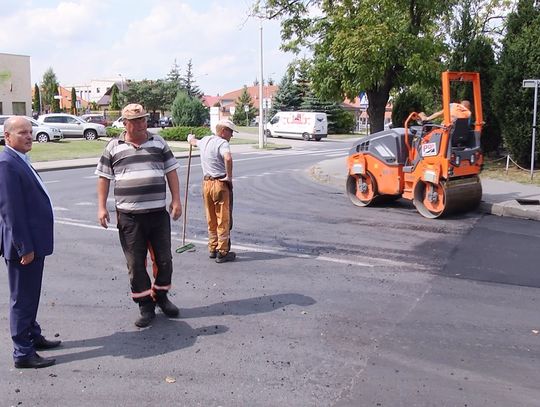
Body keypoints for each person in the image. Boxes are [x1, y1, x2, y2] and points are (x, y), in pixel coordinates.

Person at [96, 103, 182, 328]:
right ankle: (145, 305)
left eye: (143, 119)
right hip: (129, 217)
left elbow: (171, 171)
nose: (142, 124)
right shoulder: (113, 147)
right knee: (135, 263)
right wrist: (102, 207)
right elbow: (104, 178)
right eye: (136, 121)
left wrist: (176, 200)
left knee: (164, 259)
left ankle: (161, 297)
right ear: (125, 123)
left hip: (157, 214)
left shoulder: (158, 142)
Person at [0, 116, 61, 369]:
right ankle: (23, 352)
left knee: (30, 294)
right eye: (22, 132)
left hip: (33, 242)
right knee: (22, 298)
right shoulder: (6, 164)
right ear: (8, 137)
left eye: (30, 131)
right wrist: (24, 247)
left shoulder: (18, 159)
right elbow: (11, 211)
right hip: (23, 247)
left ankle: (32, 335)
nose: (29, 136)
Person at [187, 119, 237, 263]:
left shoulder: (205, 140)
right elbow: (227, 157)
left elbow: (193, 141)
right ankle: (222, 251)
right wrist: (229, 176)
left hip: (206, 184)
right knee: (223, 218)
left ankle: (212, 247)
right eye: (230, 132)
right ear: (223, 131)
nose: (231, 135)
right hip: (220, 183)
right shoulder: (222, 143)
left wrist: (190, 138)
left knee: (211, 217)